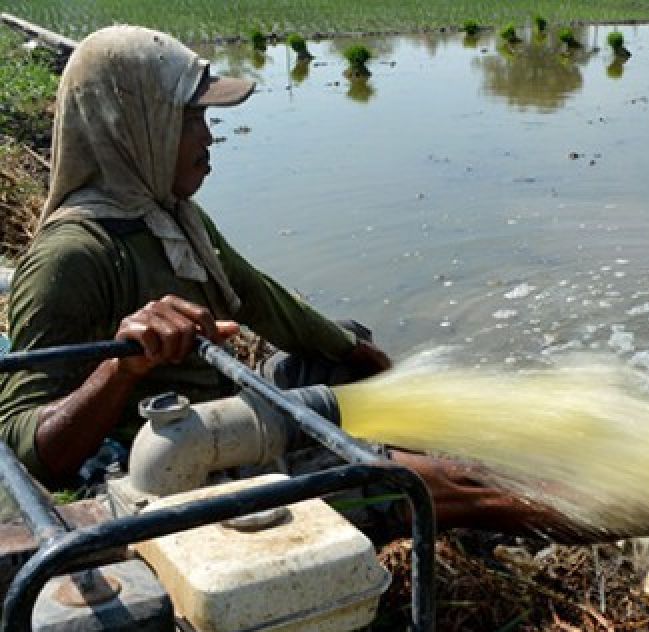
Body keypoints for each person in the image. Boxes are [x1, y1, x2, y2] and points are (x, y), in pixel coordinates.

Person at [0, 25, 575, 537]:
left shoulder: (170, 217)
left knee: (343, 357)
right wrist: (120, 369)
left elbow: (257, 296)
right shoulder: (72, 258)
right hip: (177, 472)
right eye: (192, 118)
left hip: (226, 423)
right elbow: (28, 447)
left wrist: (360, 353)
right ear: (135, 127)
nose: (209, 137)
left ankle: (413, 476)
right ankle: (615, 510)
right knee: (461, 486)